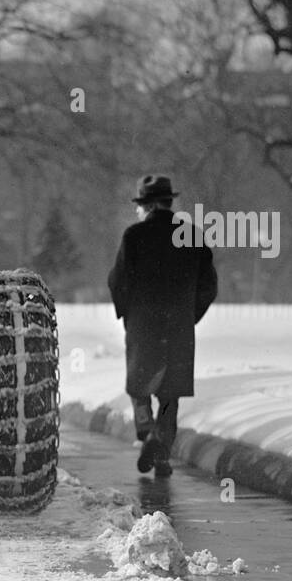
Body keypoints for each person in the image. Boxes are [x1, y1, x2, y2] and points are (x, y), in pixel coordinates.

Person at [107, 174, 218, 477]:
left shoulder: (134, 236)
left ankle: (147, 431)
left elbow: (117, 281)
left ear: (150, 204)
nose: (137, 211)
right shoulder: (192, 236)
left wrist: (128, 313)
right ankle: (162, 454)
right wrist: (189, 314)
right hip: (179, 327)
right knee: (170, 395)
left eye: (140, 205)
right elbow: (208, 285)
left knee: (139, 385)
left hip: (143, 325)